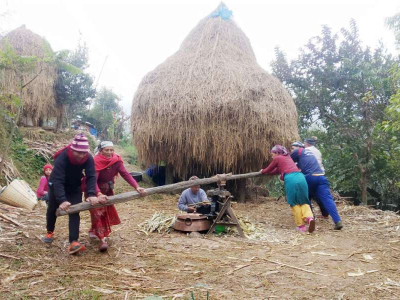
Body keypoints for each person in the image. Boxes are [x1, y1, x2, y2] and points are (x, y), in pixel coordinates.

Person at [44, 133, 99, 255]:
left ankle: (73, 241)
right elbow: (58, 180)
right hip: (56, 184)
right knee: (52, 208)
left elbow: (91, 176)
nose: (81, 155)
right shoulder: (62, 157)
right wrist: (62, 200)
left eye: (83, 153)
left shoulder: (88, 158)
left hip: (74, 185)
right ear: (72, 149)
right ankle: (50, 231)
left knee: (75, 211)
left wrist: (91, 193)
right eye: (78, 152)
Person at [89, 141, 146, 252]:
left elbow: (125, 174)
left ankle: (95, 231)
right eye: (107, 150)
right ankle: (102, 239)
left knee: (104, 211)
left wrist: (136, 186)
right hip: (94, 191)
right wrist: (98, 194)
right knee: (96, 212)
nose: (110, 152)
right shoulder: (95, 161)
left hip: (108, 190)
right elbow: (92, 181)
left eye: (111, 150)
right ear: (101, 151)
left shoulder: (116, 160)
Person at [260, 145, 315, 233]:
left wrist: (262, 171)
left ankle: (301, 226)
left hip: (291, 179)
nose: (272, 156)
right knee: (304, 200)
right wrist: (268, 172)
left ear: (277, 153)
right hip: (301, 177)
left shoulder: (277, 158)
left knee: (294, 202)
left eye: (272, 154)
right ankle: (309, 218)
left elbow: (269, 169)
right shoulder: (288, 158)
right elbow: (277, 170)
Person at [291, 143, 343, 230]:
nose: (292, 150)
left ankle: (311, 219)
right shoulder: (309, 154)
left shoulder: (298, 151)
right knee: (327, 199)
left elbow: (287, 161)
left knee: (306, 199)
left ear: (299, 147)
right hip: (321, 177)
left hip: (309, 177)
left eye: (292, 148)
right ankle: (338, 221)